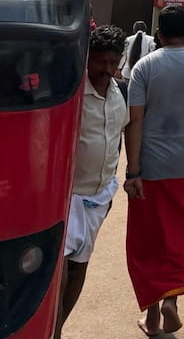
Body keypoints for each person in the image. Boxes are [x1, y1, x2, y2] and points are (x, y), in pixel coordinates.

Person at [124, 5, 184, 337]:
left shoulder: (143, 67)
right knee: (182, 236)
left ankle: (152, 316)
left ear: (160, 33)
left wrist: (132, 171)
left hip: (150, 167)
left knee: (148, 240)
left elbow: (134, 121)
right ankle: (172, 303)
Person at [55, 26, 128, 339]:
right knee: (59, 272)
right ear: (88, 59)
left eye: (114, 63)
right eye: (101, 62)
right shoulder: (71, 91)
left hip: (98, 198)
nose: (107, 70)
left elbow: (120, 134)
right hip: (67, 198)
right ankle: (52, 331)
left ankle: (59, 327)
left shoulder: (119, 92)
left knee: (79, 266)